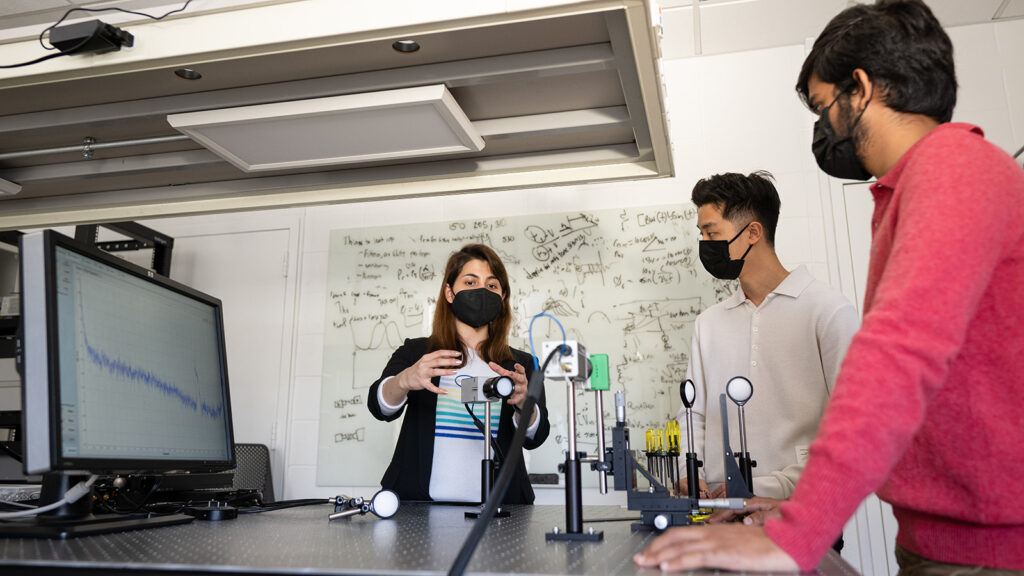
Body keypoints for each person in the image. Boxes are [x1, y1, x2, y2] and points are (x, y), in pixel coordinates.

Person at [636, 0, 1024, 572]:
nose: (825, 129)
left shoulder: (953, 172)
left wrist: (797, 530)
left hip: (984, 551)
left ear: (860, 89)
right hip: (942, 540)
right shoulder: (913, 187)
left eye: (824, 107)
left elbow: (893, 361)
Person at [679, 171, 858, 503]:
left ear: (752, 233)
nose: (705, 245)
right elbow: (693, 413)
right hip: (719, 512)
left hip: (797, 512)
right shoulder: (709, 323)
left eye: (711, 232)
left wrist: (777, 487)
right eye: (701, 234)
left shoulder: (828, 310)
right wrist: (688, 472)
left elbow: (852, 426)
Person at [367, 244, 550, 505]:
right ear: (450, 292)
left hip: (500, 513)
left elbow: (536, 436)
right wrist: (405, 379)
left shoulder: (520, 365)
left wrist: (525, 405)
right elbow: (379, 407)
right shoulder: (419, 352)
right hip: (418, 509)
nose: (481, 291)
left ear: (502, 297)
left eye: (492, 285)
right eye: (470, 281)